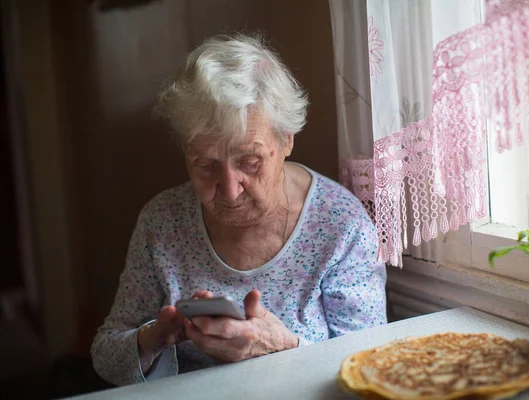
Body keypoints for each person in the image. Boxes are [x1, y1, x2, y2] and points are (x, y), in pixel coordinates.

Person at [91, 34, 387, 387]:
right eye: (205, 165)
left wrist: (283, 346)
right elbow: (105, 354)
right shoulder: (162, 222)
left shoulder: (341, 225)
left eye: (249, 161)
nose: (229, 189)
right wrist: (155, 338)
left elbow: (371, 367)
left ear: (286, 139)